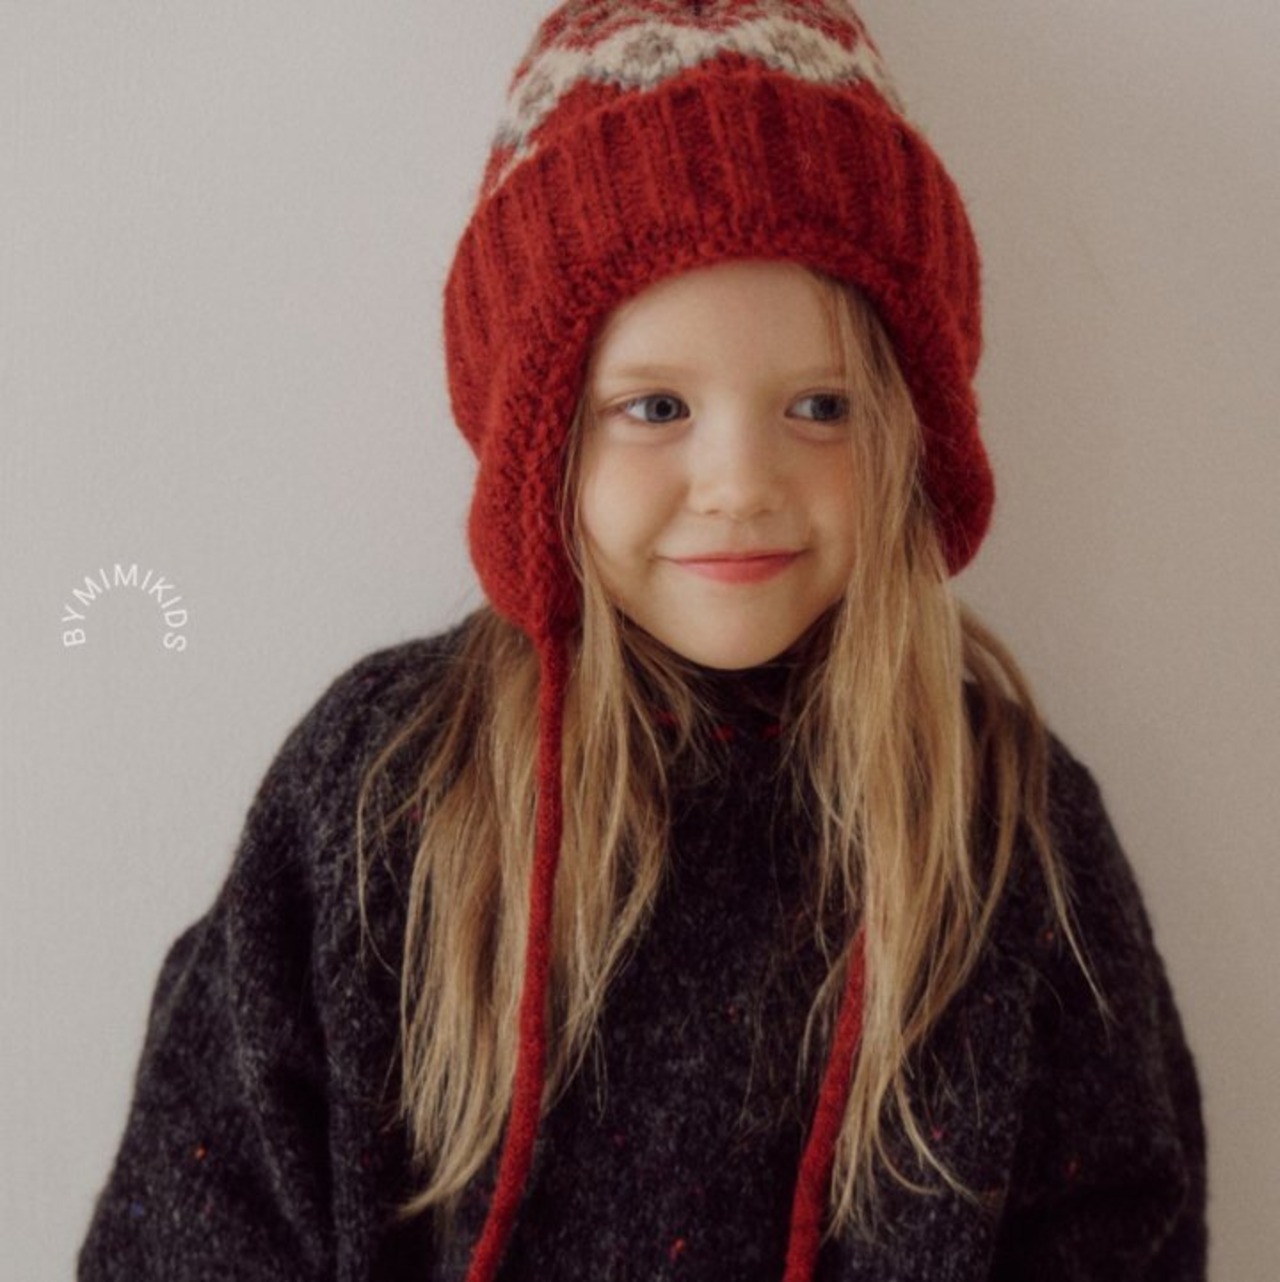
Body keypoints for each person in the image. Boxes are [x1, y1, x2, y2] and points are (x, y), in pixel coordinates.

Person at [78, 2, 1207, 1279]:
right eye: (655, 406)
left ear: (911, 430)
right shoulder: (382, 791)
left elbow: (1122, 1227)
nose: (740, 482)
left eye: (820, 405)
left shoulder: (1006, 825)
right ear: (540, 437)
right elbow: (197, 1220)